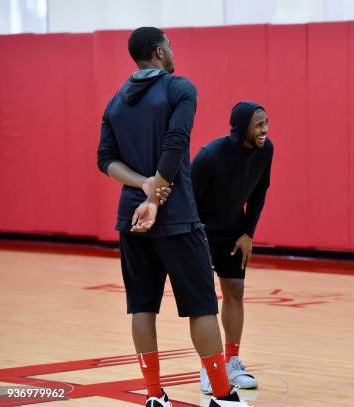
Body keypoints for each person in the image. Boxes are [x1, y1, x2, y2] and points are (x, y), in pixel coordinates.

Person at [97, 26, 247, 407]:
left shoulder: (115, 101)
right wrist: (157, 192)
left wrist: (144, 187)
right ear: (161, 51)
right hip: (177, 216)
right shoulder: (180, 88)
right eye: (171, 45)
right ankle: (222, 395)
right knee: (201, 307)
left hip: (131, 219)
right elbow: (176, 142)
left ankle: (153, 396)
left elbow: (106, 161)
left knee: (142, 307)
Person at [191, 101, 273, 394]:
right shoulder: (209, 157)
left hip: (234, 231)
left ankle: (232, 361)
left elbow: (260, 193)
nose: (264, 130)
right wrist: (194, 238)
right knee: (204, 303)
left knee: (234, 291)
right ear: (241, 128)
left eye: (266, 123)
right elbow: (189, 201)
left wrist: (248, 233)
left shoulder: (266, 150)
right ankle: (208, 369)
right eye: (258, 125)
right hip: (199, 232)